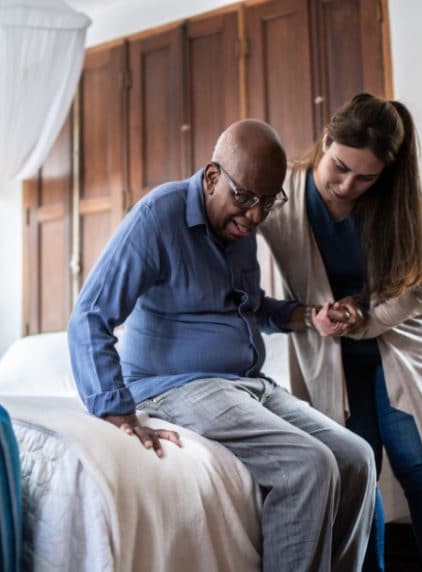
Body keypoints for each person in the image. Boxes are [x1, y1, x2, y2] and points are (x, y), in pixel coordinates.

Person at [67, 118, 377, 572]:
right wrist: (118, 413)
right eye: (245, 198)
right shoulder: (158, 218)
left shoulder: (238, 231)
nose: (254, 216)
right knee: (308, 467)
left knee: (356, 458)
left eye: (267, 202)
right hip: (175, 385)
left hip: (246, 382)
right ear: (213, 177)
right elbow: (90, 316)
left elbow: (250, 308)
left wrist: (308, 316)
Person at [259, 94, 422, 572]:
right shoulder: (283, 195)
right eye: (339, 168)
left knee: (420, 466)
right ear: (325, 141)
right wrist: (309, 315)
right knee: (356, 469)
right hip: (331, 344)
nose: (347, 185)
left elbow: (413, 292)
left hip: (403, 338)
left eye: (365, 178)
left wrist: (362, 314)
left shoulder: (401, 206)